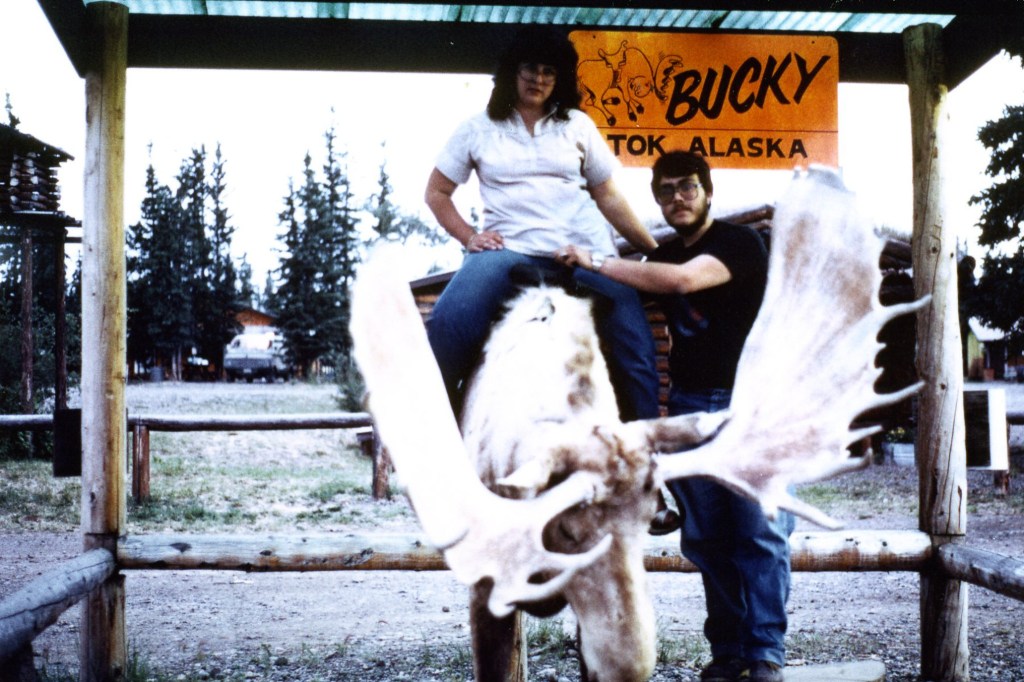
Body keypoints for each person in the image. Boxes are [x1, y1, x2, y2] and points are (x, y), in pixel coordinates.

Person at [555, 150, 794, 682]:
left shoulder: (739, 243)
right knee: (707, 536)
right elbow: (628, 292)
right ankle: (728, 652)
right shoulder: (659, 256)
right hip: (688, 406)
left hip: (751, 405)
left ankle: (765, 654)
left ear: (708, 191)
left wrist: (595, 260)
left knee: (760, 532)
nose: (677, 198)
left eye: (687, 187)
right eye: (665, 190)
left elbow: (683, 282)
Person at [423, 26, 660, 423]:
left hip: (585, 250)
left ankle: (645, 446)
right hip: (506, 250)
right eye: (530, 68)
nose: (539, 78)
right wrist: (470, 236)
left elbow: (608, 195)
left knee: (634, 340)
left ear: (559, 78)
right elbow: (436, 193)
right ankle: (439, 434)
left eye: (549, 71)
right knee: (447, 324)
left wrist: (653, 250)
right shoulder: (476, 128)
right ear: (512, 73)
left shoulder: (577, 124)